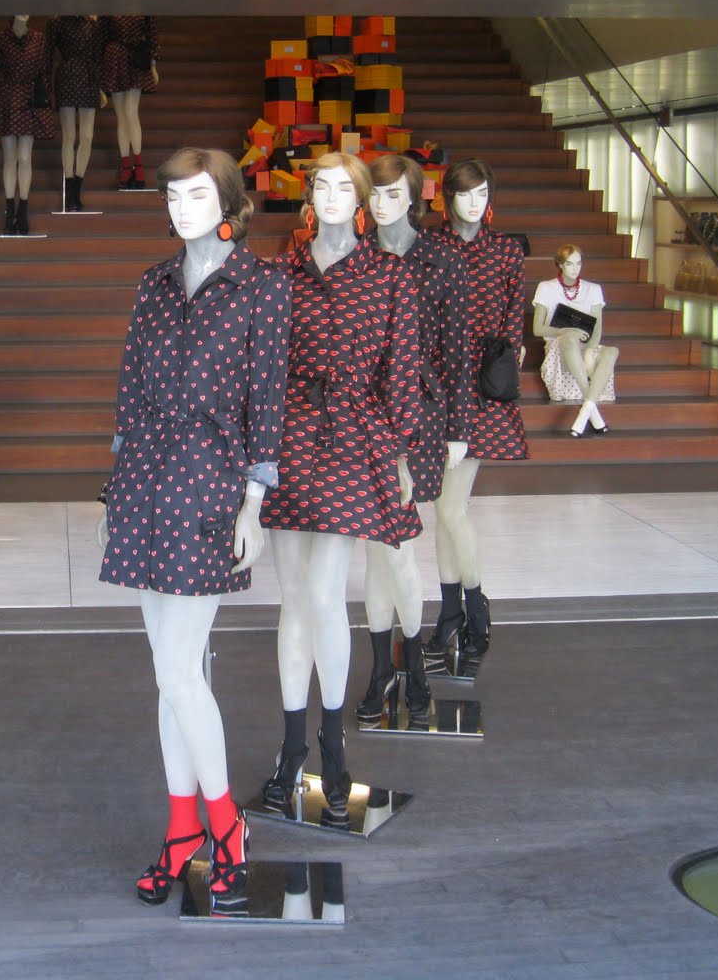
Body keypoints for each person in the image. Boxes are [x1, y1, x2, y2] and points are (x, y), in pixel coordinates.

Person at [97, 147, 291, 912]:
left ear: (230, 202)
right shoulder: (153, 283)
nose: (182, 208)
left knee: (180, 672)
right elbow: (130, 384)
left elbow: (267, 399)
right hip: (145, 478)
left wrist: (255, 502)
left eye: (197, 195)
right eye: (173, 196)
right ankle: (183, 833)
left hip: (210, 480)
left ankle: (226, 827)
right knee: (168, 674)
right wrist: (117, 483)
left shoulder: (262, 286)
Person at [258, 152, 423, 819]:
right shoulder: (279, 273)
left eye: (342, 187)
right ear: (308, 197)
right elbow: (261, 364)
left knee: (325, 595)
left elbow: (403, 368)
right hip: (287, 433)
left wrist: (404, 451)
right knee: (293, 598)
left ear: (360, 200)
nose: (330, 195)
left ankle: (332, 743)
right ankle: (292, 745)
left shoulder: (389, 275)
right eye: (320, 185)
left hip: (353, 433)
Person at [359, 153, 474, 721]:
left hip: (419, 413)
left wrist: (459, 428)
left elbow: (457, 347)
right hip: (361, 412)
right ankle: (388, 669)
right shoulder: (357, 256)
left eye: (392, 194)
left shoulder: (442, 260)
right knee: (378, 547)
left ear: (414, 198)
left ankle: (398, 668)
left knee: (395, 543)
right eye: (374, 193)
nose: (381, 204)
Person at [426, 159, 528, 668]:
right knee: (444, 510)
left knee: (450, 509)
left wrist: (505, 362)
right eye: (465, 193)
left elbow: (513, 322)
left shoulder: (506, 250)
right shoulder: (430, 247)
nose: (474, 202)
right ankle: (451, 612)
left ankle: (475, 606)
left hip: (480, 389)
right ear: (448, 197)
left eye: (482, 193)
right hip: (436, 384)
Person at [533, 243, 618, 436]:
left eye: (578, 263)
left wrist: (589, 351)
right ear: (560, 264)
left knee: (612, 351)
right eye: (570, 264)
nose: (575, 268)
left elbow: (597, 329)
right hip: (559, 346)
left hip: (585, 345)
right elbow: (537, 329)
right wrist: (566, 330)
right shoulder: (545, 287)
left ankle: (587, 408)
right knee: (570, 337)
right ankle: (593, 412)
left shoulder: (593, 289)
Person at [0, 15, 56, 236]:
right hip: (7, 98)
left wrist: (45, 102)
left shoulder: (39, 38)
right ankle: (10, 211)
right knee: (10, 158)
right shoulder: (0, 39)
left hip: (30, 97)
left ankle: (23, 209)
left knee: (25, 158)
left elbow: (45, 71)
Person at [49, 14, 104, 211]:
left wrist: (100, 87)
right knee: (69, 136)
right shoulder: (58, 21)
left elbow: (98, 56)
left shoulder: (93, 25)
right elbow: (48, 54)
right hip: (67, 75)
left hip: (89, 76)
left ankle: (76, 188)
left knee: (87, 136)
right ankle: (70, 184)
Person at [99, 15, 160, 189]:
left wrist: (153, 64)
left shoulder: (142, 5)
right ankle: (127, 166)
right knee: (122, 116)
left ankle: (137, 166)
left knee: (130, 112)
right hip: (114, 58)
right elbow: (102, 36)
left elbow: (152, 33)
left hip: (136, 57)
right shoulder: (110, 7)